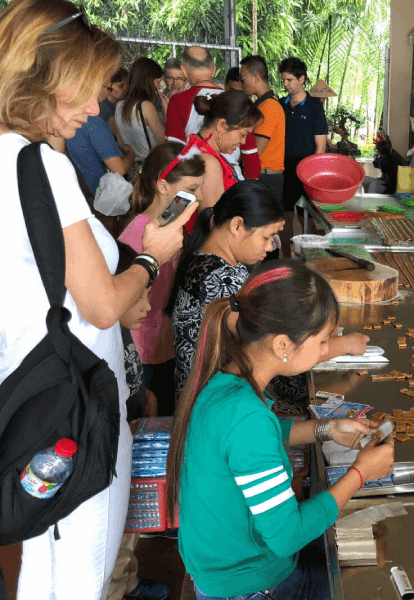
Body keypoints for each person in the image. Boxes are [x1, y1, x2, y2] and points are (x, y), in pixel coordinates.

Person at [0, 2, 195, 598]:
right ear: (41, 83)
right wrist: (149, 257)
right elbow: (103, 305)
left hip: (27, 393)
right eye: (83, 93)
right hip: (76, 400)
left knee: (45, 563)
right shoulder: (41, 165)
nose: (93, 110)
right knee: (80, 571)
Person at [166, 261, 394, 600]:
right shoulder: (246, 417)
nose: (326, 349)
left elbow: (261, 437)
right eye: (322, 341)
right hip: (251, 585)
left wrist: (326, 429)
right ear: (283, 345)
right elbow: (288, 536)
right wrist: (362, 473)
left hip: (223, 570)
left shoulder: (225, 382)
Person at [170, 180, 285, 397]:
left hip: (209, 395)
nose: (271, 247)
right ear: (237, 226)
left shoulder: (208, 259)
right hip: (213, 402)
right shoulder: (218, 279)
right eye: (266, 237)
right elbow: (264, 340)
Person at [118, 142, 206, 416]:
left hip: (165, 345)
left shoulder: (172, 223)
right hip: (145, 352)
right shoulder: (138, 233)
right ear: (163, 185)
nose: (198, 197)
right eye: (191, 189)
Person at [107, 243, 170, 600]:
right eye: (140, 299)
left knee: (130, 527)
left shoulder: (122, 328)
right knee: (115, 540)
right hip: (115, 449)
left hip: (132, 437)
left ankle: (130, 583)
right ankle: (118, 589)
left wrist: (144, 395)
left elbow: (131, 371)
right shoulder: (99, 339)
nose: (147, 307)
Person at [165, 46, 260, 180]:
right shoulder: (237, 103)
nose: (242, 139)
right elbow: (251, 160)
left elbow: (173, 152)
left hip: (196, 179)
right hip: (234, 181)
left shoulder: (178, 101)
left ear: (184, 71)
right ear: (214, 69)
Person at [280, 57, 327, 256]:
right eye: (283, 80)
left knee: (305, 218)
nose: (285, 84)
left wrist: (310, 176)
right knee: (285, 218)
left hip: (305, 173)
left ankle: (314, 257)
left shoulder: (315, 107)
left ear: (302, 79)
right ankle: (287, 261)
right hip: (283, 171)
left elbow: (321, 146)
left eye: (289, 80)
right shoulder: (280, 105)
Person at [187, 90, 263, 211]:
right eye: (243, 134)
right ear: (221, 125)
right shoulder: (208, 163)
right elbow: (214, 222)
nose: (243, 142)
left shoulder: (199, 150)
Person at [240, 55, 286, 254]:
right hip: (266, 177)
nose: (242, 84)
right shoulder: (262, 105)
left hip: (267, 178)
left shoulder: (268, 108)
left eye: (243, 79)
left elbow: (256, 150)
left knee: (266, 237)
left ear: (256, 78)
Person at [66, 113, 135, 196]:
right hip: (102, 196)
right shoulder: (92, 121)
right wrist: (131, 154)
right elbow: (119, 169)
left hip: (74, 194)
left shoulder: (61, 121)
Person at [114, 57, 166, 162]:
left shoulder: (119, 105)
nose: (159, 87)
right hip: (149, 165)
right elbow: (164, 142)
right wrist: (167, 113)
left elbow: (121, 142)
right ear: (149, 82)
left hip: (132, 167)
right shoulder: (146, 106)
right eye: (157, 82)